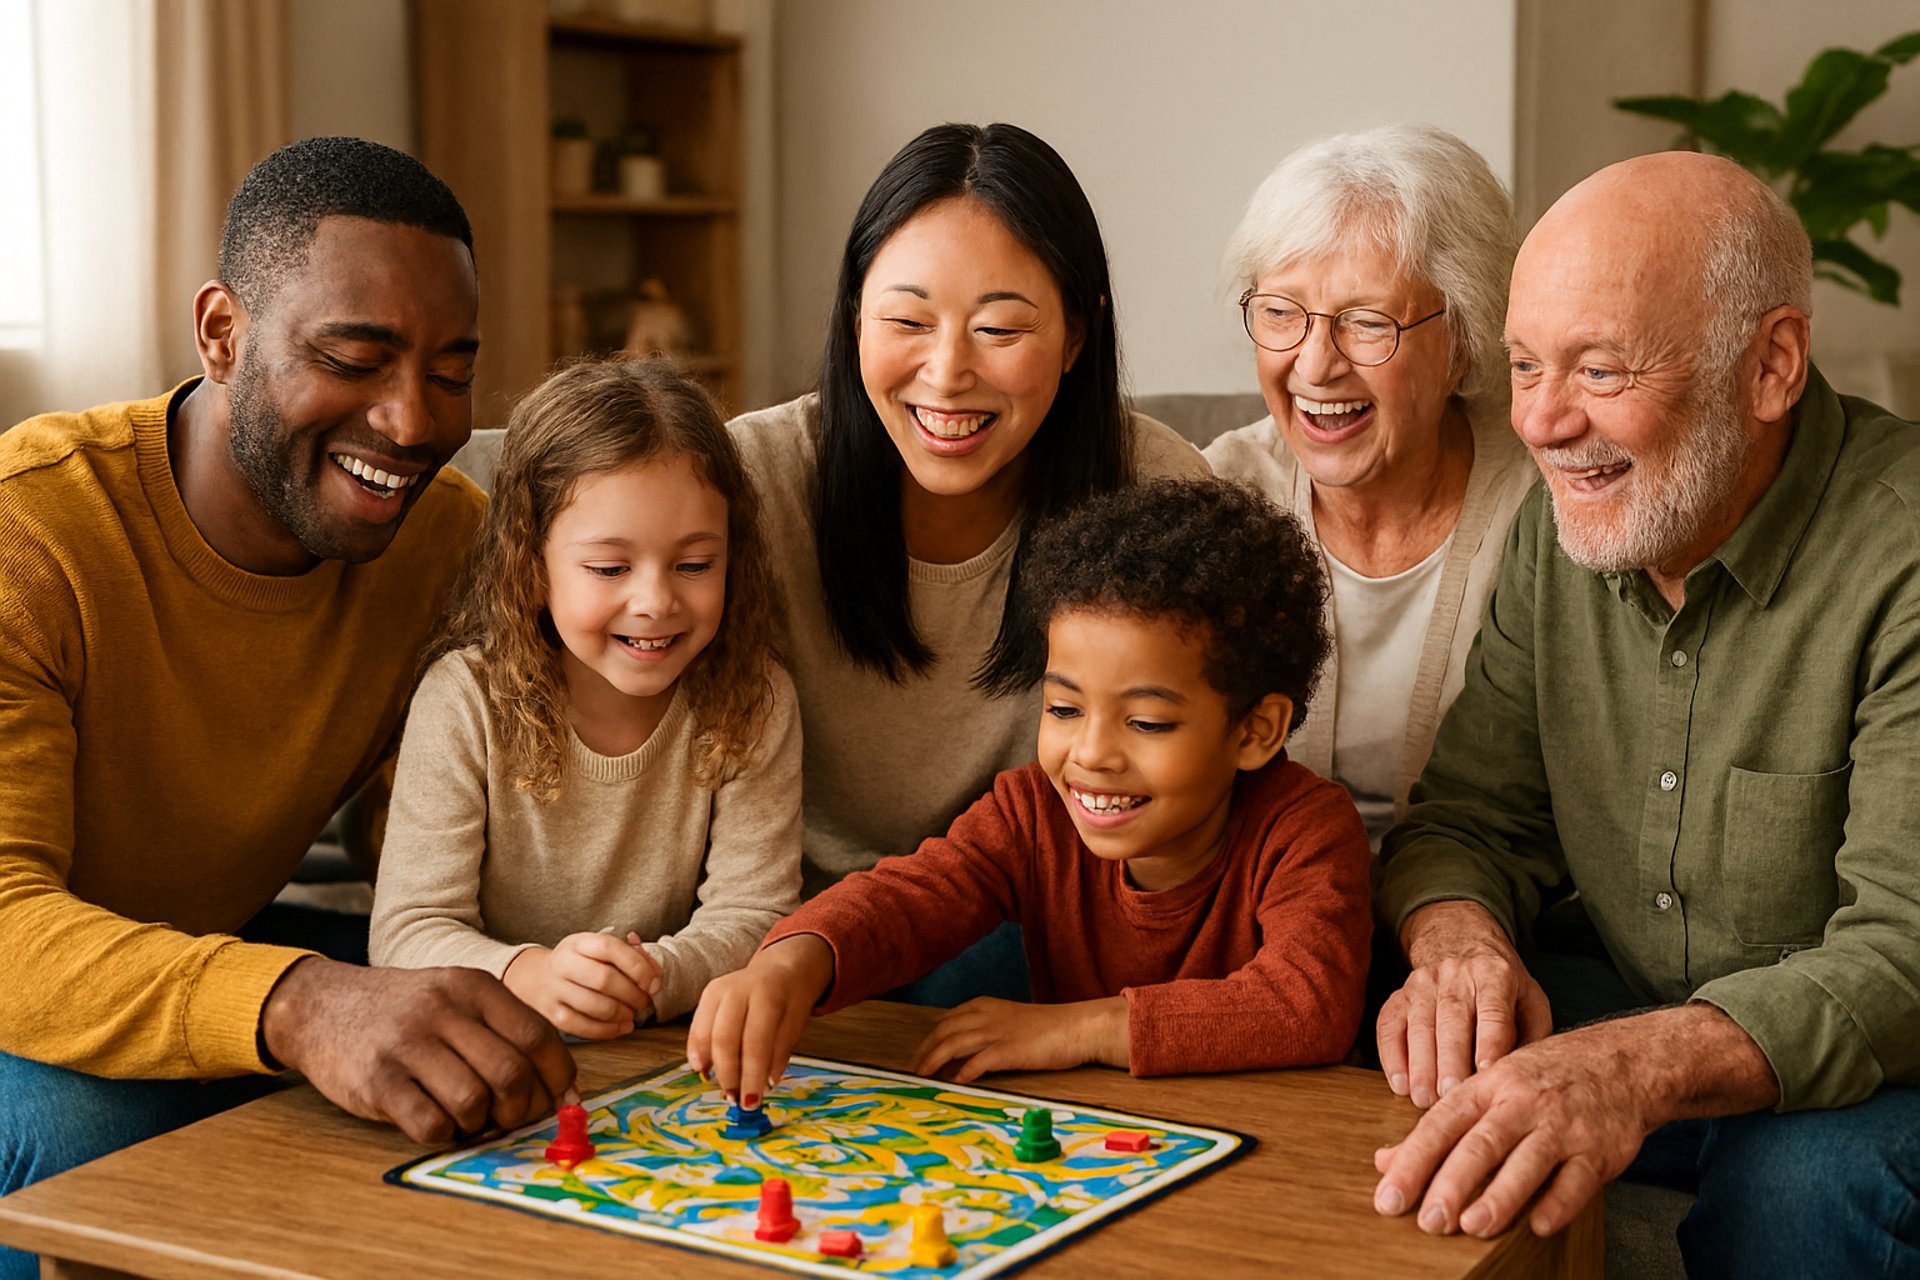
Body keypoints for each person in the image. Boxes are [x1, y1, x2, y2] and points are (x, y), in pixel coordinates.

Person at [0, 137, 573, 1276]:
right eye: (356, 356)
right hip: (33, 991)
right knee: (86, 1135)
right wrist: (302, 1005)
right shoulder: (37, 535)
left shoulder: (445, 541)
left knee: (495, 1033)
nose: (413, 421)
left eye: (452, 370)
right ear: (222, 333)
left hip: (201, 955)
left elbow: (425, 837)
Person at [1369, 151, 1920, 1279]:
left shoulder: (1903, 548)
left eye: (1601, 367)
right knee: (1365, 1021)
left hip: (1883, 1058)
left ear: (1772, 364)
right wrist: (1459, 945)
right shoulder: (1564, 525)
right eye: (1525, 365)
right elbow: (1470, 817)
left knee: (1799, 1192)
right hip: (1632, 991)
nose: (1544, 420)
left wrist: (1629, 1069)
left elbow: (1904, 951)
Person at [686, 477, 1372, 1104]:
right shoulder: (1031, 814)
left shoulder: (1306, 828)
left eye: (1147, 722)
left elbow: (1307, 1004)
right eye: (1065, 709)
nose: (1092, 754)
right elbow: (910, 899)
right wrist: (790, 961)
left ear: (1256, 731)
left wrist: (1076, 1031)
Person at [728, 122, 1209, 1005]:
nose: (946, 374)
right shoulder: (747, 485)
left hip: (1025, 943)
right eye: (907, 321)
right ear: (852, 317)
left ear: (1074, 335)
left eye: (998, 329)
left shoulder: (1157, 493)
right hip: (777, 937)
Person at [369, 358, 802, 1029]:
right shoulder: (463, 701)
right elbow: (407, 933)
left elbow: (757, 916)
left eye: (695, 565)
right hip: (502, 1032)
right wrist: (530, 976)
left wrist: (651, 977)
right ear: (532, 564)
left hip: (668, 1042)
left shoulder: (754, 696)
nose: (656, 601)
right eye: (608, 568)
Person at [1205, 125, 1536, 848]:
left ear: (1465, 339)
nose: (1315, 365)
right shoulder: (1214, 500)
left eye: (1365, 322)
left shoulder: (1548, 507)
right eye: (1282, 314)